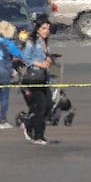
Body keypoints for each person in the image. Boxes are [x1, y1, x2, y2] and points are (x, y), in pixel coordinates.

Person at [20, 15, 53, 145]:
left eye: (48, 29)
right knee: (40, 106)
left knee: (48, 106)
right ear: (38, 29)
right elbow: (26, 59)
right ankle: (38, 136)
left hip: (44, 78)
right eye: (44, 28)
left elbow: (47, 58)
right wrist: (40, 64)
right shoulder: (31, 42)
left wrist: (49, 60)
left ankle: (30, 124)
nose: (46, 31)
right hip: (33, 79)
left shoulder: (45, 42)